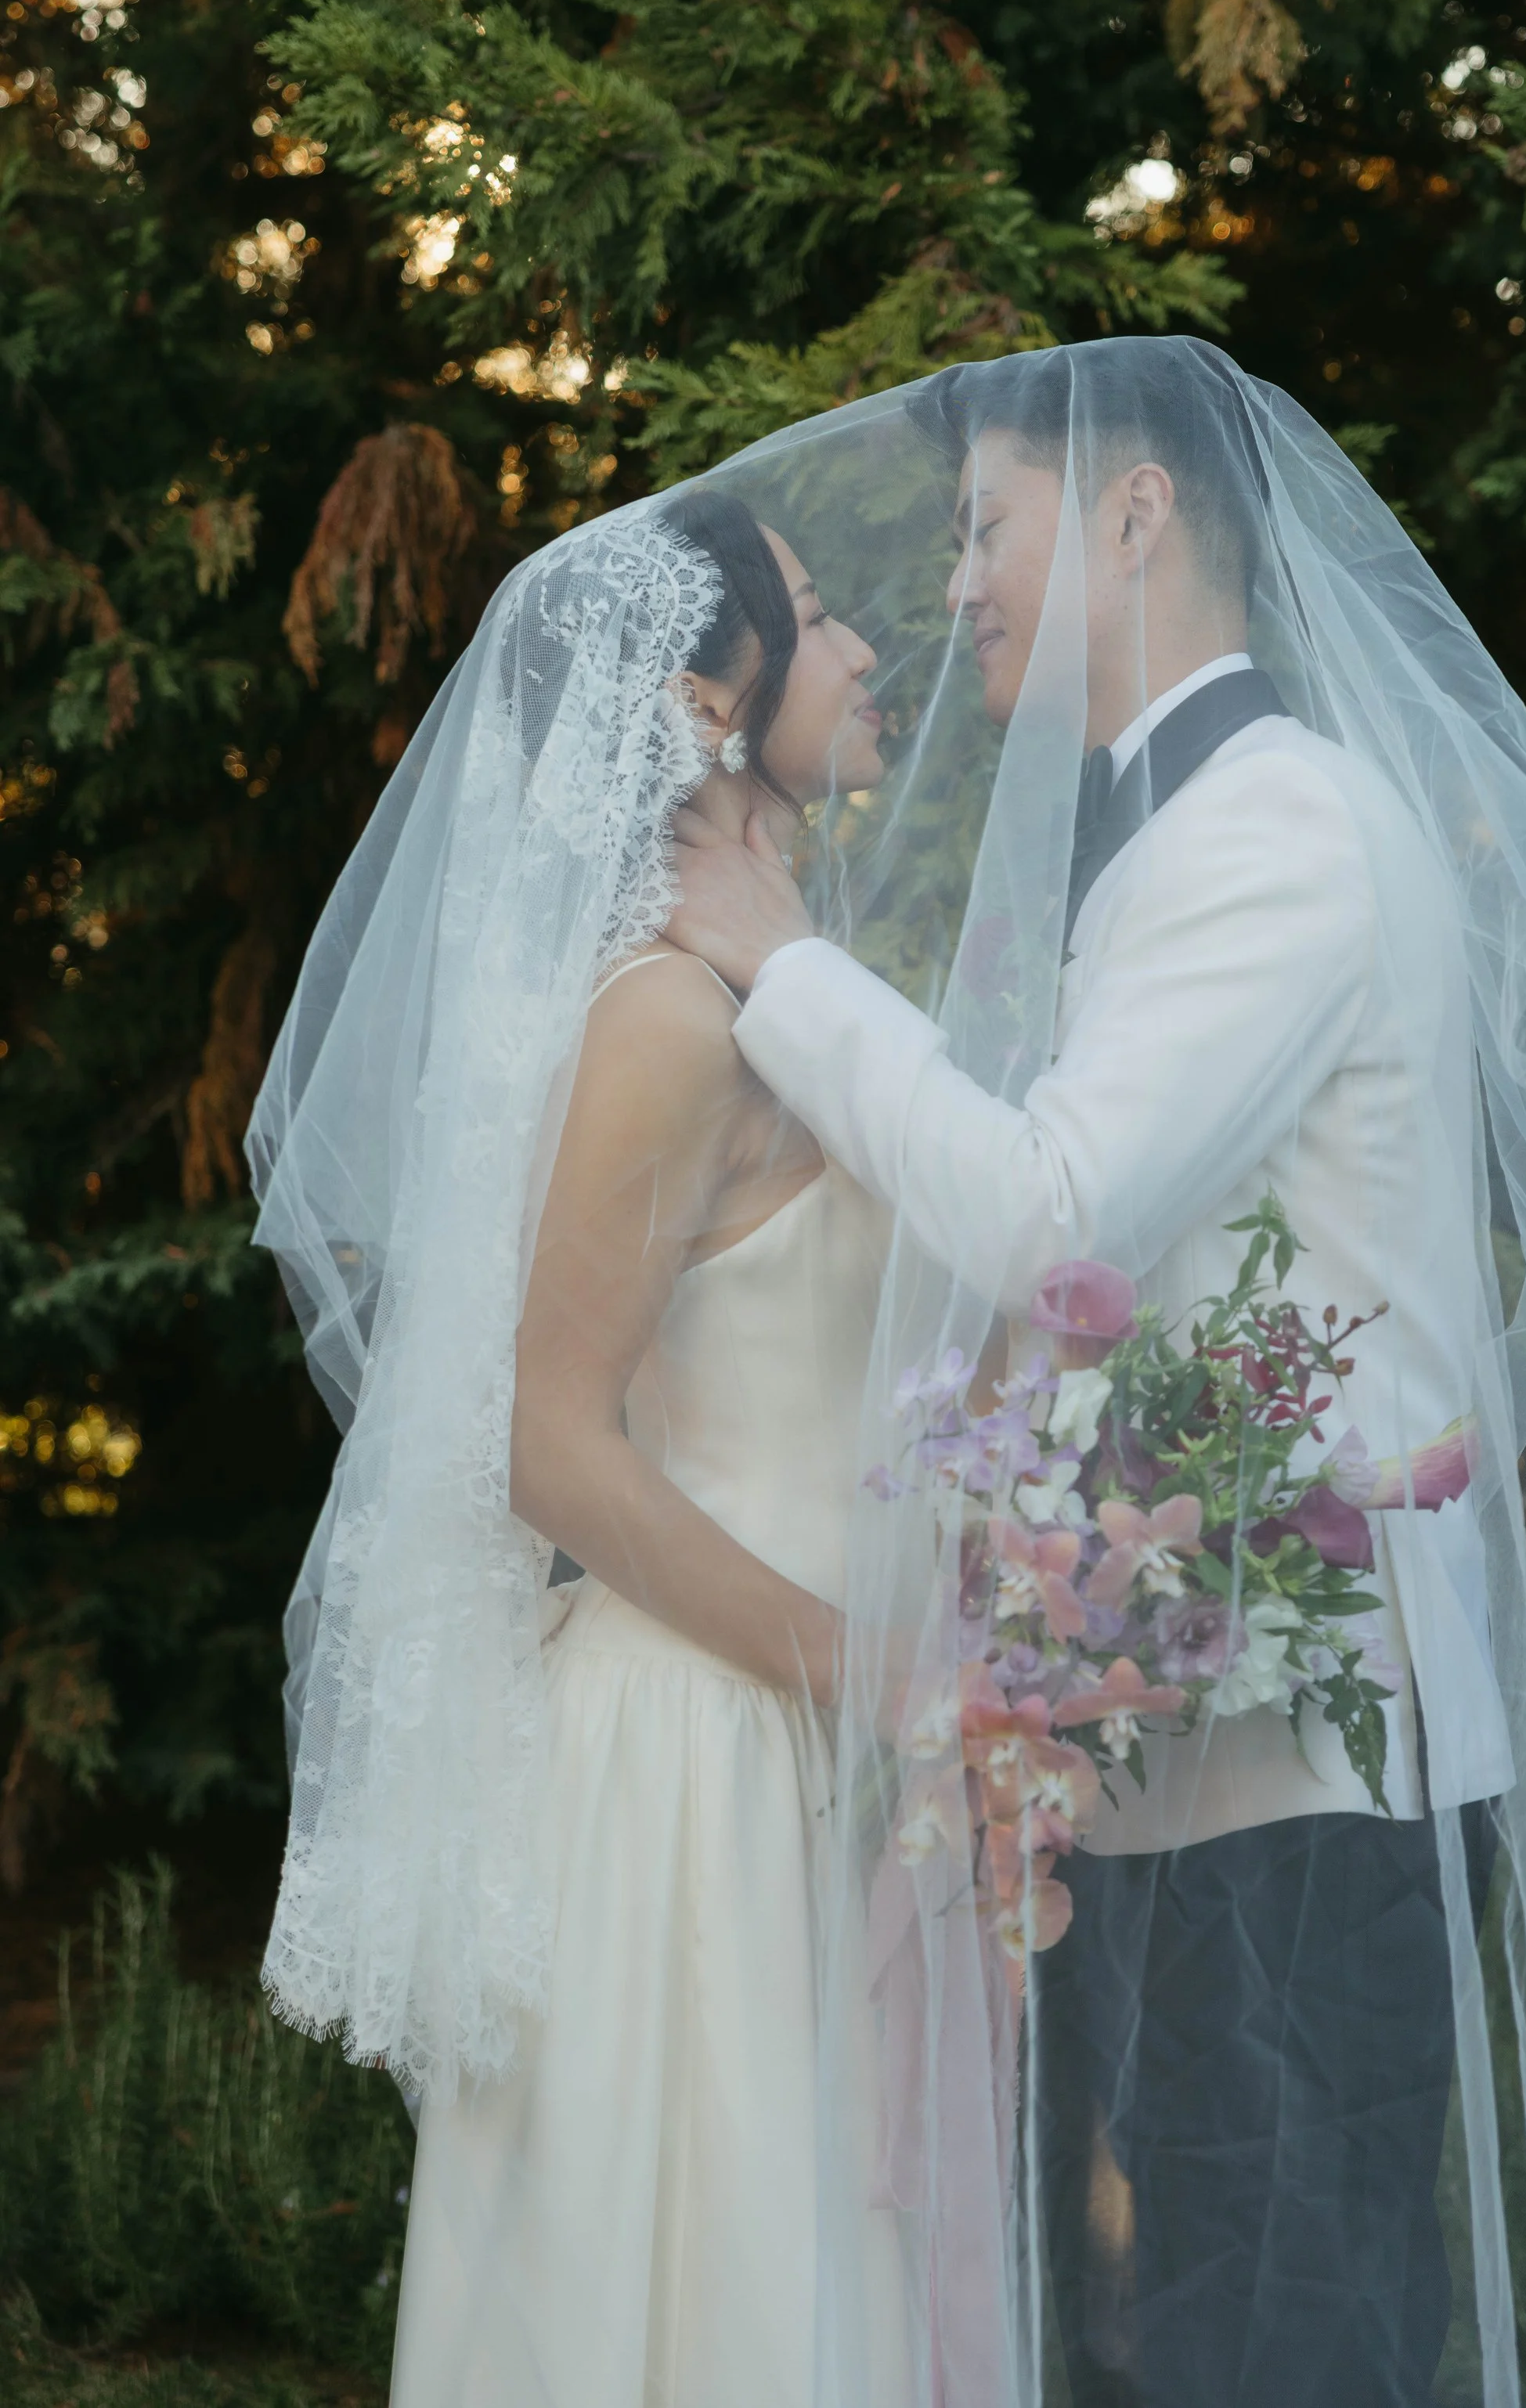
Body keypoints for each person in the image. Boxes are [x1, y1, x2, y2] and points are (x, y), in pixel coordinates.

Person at [659, 337, 1526, 2408]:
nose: (960, 583)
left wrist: (780, 965)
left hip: (1295, 1763)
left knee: (1266, 2332)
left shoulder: (1273, 832)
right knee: (1176, 2317)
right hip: (1188, 1726)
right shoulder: (1181, 826)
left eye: (988, 525)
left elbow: (1051, 1219)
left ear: (1134, 512)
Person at [247, 488, 907, 2406]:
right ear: (716, 695)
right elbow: (549, 1442)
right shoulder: (665, 1023)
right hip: (694, 1755)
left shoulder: (779, 999)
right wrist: (855, 1667)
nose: (866, 650)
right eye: (818, 614)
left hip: (799, 1730)